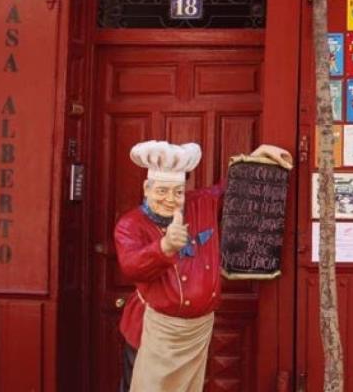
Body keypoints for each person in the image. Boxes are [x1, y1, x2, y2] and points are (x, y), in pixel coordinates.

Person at [115, 140, 293, 392]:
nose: (170, 200)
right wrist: (164, 247)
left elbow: (234, 190)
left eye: (177, 192)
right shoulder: (131, 224)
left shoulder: (201, 203)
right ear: (147, 188)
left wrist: (256, 158)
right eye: (162, 191)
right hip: (155, 331)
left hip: (196, 332)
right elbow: (131, 267)